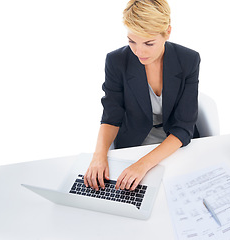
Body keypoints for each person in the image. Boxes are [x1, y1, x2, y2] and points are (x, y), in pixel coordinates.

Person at [84, 0, 200, 192]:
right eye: (131, 41)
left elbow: (184, 126)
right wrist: (98, 155)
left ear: (167, 32)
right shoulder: (116, 61)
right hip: (135, 140)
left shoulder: (188, 60)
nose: (139, 51)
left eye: (149, 43)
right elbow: (112, 116)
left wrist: (143, 164)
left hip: (175, 143)